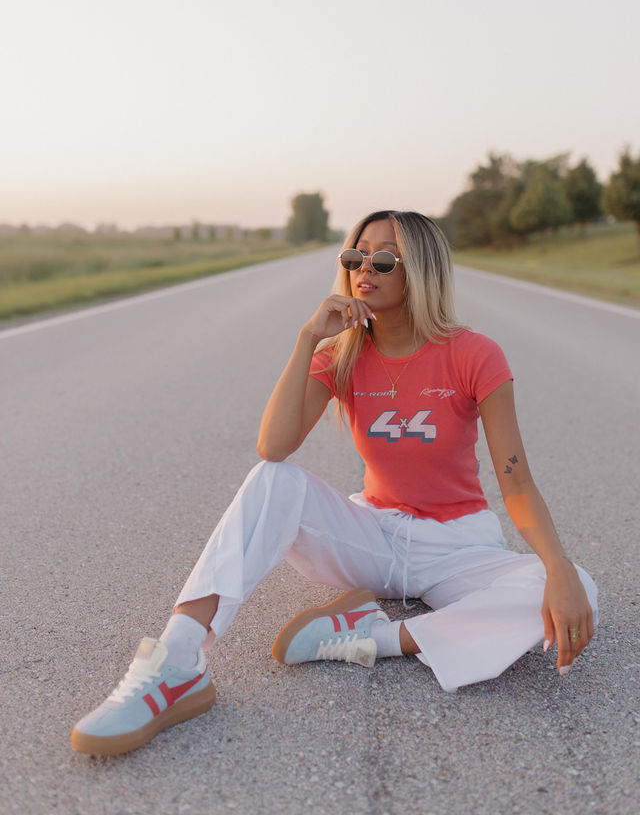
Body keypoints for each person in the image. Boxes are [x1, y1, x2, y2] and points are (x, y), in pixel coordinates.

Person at [71, 210, 597, 756]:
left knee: (579, 589)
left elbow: (517, 481)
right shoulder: (341, 355)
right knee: (272, 480)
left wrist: (557, 568)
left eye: (384, 258)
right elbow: (274, 447)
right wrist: (307, 340)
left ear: (421, 269)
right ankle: (178, 661)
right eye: (355, 256)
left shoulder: (474, 354)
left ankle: (370, 636)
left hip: (457, 547)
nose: (364, 268)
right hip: (373, 536)